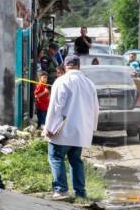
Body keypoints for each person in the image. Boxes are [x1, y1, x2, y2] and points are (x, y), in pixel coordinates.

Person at [44, 55, 99, 200]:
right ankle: (80, 193)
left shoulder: (61, 81)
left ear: (65, 66)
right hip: (81, 131)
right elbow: (95, 108)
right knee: (76, 160)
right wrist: (92, 127)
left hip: (62, 130)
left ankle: (61, 190)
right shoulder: (89, 83)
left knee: (56, 157)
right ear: (79, 66)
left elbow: (55, 107)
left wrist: (48, 127)